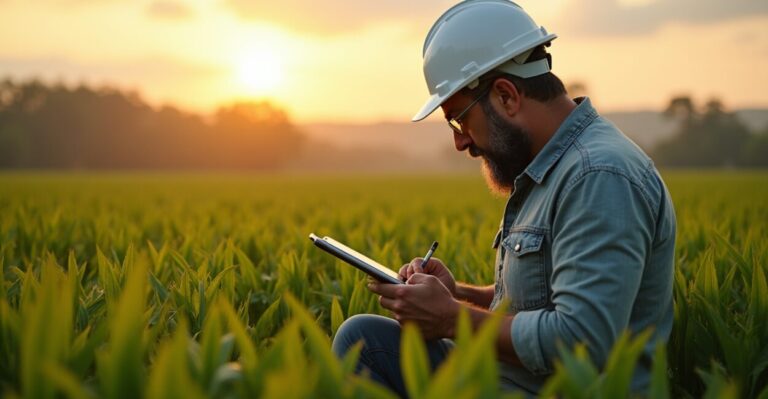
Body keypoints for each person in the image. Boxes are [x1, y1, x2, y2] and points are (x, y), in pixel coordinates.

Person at [331, 0, 676, 396]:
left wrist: (449, 318)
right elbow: (541, 299)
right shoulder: (550, 167)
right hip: (506, 379)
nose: (460, 141)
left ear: (507, 96)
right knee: (365, 340)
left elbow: (582, 340)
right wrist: (457, 294)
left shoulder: (598, 176)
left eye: (460, 119)